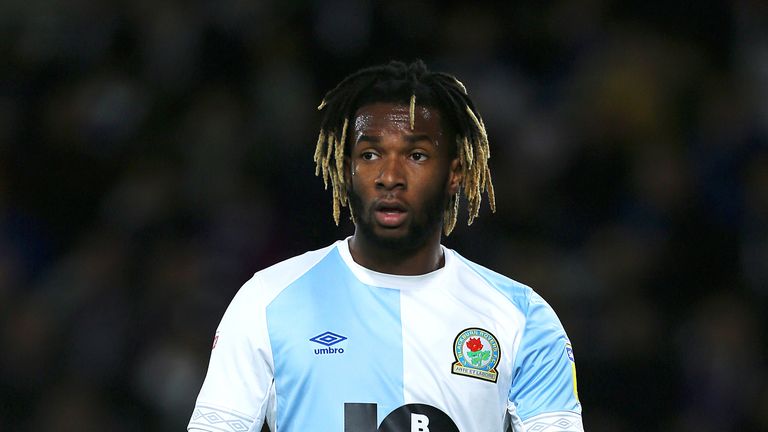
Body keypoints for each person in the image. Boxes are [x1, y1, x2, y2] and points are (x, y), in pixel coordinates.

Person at [188, 60, 583, 432]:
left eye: (416, 155)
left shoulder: (522, 318)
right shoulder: (266, 301)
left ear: (455, 173)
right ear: (347, 170)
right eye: (371, 154)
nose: (389, 176)